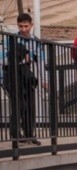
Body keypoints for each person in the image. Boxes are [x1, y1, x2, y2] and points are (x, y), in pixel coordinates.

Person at [1, 13, 47, 145]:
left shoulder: (36, 41)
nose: (23, 29)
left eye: (26, 26)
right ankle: (15, 134)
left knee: (30, 106)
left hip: (26, 76)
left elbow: (41, 62)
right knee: (20, 105)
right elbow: (2, 60)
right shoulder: (10, 40)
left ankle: (29, 134)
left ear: (31, 25)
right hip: (11, 75)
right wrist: (21, 59)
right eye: (21, 26)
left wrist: (45, 80)